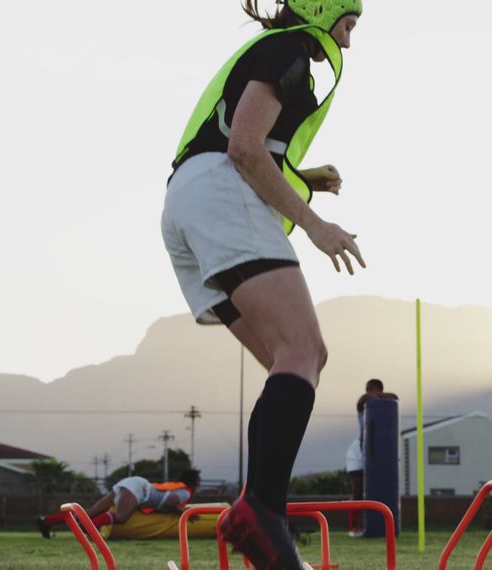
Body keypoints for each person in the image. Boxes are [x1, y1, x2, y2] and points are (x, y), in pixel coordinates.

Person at [161, 0, 363, 567]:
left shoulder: (277, 54)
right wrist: (315, 224)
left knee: (289, 360)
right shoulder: (288, 50)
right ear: (322, 13)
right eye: (347, 26)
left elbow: (242, 139)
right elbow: (244, 149)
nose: (347, 44)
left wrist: (305, 178)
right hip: (219, 190)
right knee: (305, 349)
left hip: (186, 203)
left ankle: (261, 523)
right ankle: (259, 512)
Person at [35, 470, 200, 538]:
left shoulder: (178, 486)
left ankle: (46, 522)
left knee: (91, 511)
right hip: (139, 488)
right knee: (121, 517)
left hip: (133, 484)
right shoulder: (185, 491)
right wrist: (183, 513)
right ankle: (89, 528)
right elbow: (171, 502)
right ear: (193, 482)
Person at [346, 379, 398, 537]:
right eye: (367, 389)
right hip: (358, 451)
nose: (368, 392)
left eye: (370, 389)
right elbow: (364, 399)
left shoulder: (385, 402)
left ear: (379, 389)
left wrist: (378, 395)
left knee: (378, 488)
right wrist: (375, 395)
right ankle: (355, 527)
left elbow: (395, 397)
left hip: (378, 452)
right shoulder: (365, 403)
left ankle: (380, 525)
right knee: (357, 490)